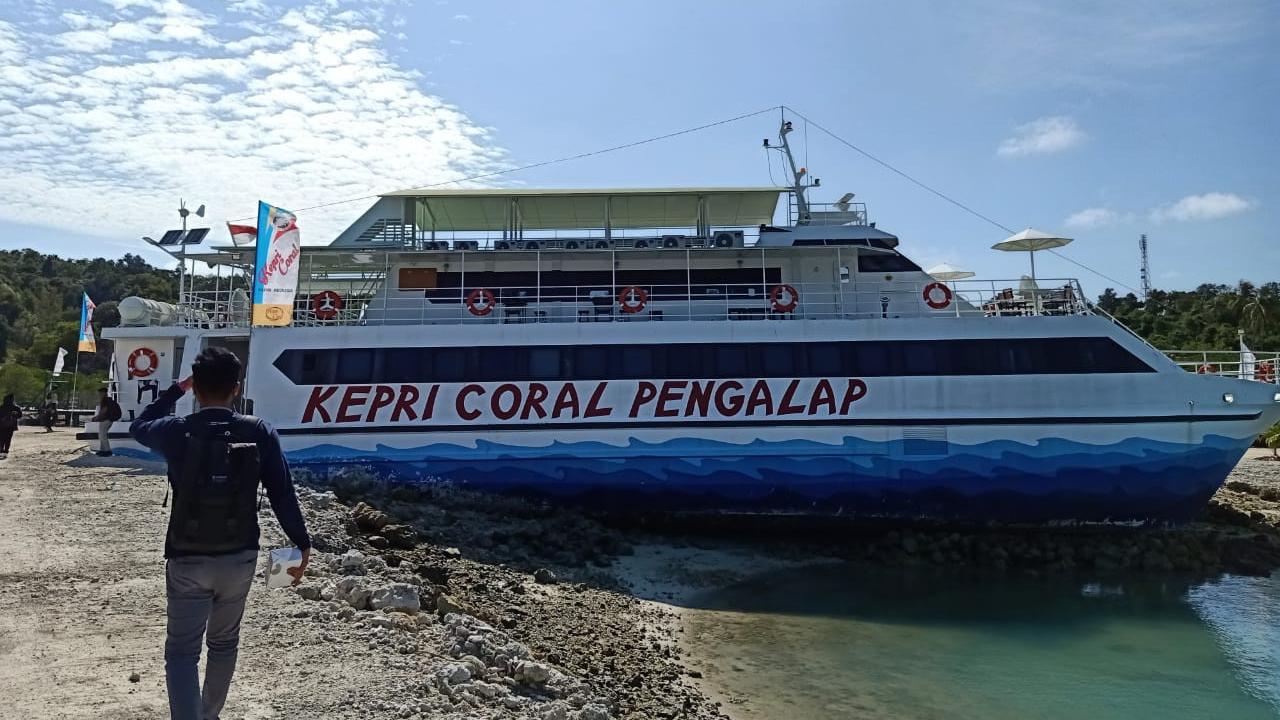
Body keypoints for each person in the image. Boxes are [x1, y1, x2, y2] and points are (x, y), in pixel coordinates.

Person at [130, 347, 311, 720]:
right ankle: (209, 715)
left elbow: (139, 425)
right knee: (224, 642)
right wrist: (301, 544)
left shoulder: (177, 430)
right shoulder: (258, 430)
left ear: (196, 388)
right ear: (237, 388)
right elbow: (282, 493)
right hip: (239, 556)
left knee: (182, 652)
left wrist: (175, 391)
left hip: (186, 556)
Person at [90, 388, 123, 457]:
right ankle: (102, 450)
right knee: (101, 435)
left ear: (104, 393)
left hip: (106, 420)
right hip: (109, 420)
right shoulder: (108, 400)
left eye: (100, 393)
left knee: (102, 436)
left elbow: (104, 410)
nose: (99, 395)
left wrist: (96, 417)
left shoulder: (105, 400)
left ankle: (107, 451)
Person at [0, 394, 21, 458]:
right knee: (8, 439)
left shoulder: (1, 407)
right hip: (11, 426)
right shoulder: (16, 407)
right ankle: (5, 451)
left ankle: (1, 451)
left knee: (1, 439)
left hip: (2, 425)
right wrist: (15, 414)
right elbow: (20, 416)